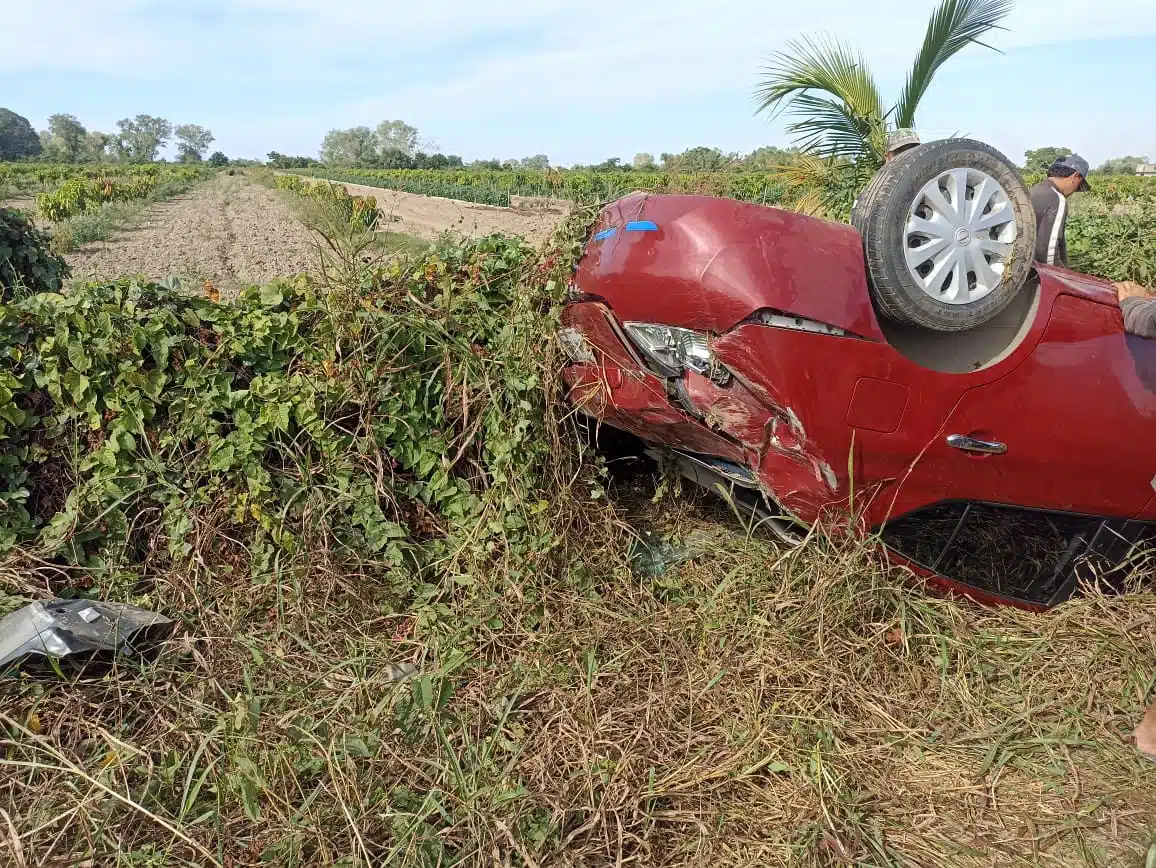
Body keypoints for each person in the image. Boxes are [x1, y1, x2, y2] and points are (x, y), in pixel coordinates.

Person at [1028, 153, 1090, 268]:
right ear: (1076, 176)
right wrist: (1062, 277)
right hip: (1037, 275)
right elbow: (1048, 252)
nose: (1073, 192)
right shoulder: (1057, 199)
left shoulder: (1033, 190)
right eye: (1079, 186)